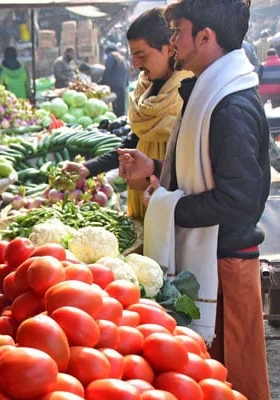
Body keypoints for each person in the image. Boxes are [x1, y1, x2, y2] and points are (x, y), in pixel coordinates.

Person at [119, 1, 270, 399]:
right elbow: (206, 173)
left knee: (232, 378)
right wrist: (154, 169)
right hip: (216, 257)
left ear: (205, 37)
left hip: (226, 264)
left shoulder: (229, 105)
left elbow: (236, 199)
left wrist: (165, 204)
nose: (171, 42)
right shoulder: (212, 91)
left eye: (177, 32)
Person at [62, 8, 193, 220]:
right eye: (133, 56)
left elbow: (193, 172)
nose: (136, 65)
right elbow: (133, 142)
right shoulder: (147, 88)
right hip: (142, 202)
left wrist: (152, 174)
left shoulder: (187, 94)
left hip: (176, 213)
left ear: (169, 49)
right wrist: (88, 168)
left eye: (142, 55)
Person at [100, 45, 129, 116]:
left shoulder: (111, 57)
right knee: (120, 107)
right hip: (121, 86)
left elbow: (108, 70)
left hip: (113, 86)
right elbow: (126, 74)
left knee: (114, 106)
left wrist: (102, 82)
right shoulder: (122, 59)